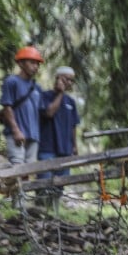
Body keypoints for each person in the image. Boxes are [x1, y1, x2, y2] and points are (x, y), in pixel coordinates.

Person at [38, 66, 81, 204]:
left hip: (65, 150)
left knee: (59, 186)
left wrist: (74, 146)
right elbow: (49, 113)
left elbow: (73, 126)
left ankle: (54, 214)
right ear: (58, 79)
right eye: (66, 79)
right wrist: (60, 93)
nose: (69, 83)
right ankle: (40, 210)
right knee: (44, 184)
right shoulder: (44, 96)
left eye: (71, 81)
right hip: (47, 148)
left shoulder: (71, 102)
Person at [1, 46, 44, 166]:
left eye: (37, 64)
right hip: (17, 134)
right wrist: (16, 131)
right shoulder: (11, 81)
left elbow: (43, 112)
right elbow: (7, 107)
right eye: (32, 63)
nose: (35, 66)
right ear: (20, 63)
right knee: (17, 166)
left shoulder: (37, 87)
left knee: (30, 170)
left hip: (33, 136)